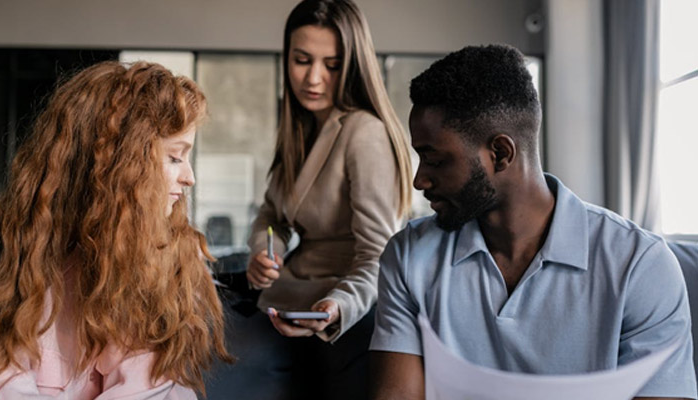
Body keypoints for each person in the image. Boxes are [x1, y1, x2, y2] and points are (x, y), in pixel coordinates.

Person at [369, 44, 697, 399]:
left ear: (500, 153)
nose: (420, 180)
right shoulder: (407, 255)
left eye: (434, 160)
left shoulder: (640, 264)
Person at [0, 61, 231, 399]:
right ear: (120, 166)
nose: (189, 178)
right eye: (174, 157)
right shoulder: (14, 261)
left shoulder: (159, 263)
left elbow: (146, 389)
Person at [205, 0, 412, 399]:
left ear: (352, 66)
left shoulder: (363, 133)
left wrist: (337, 307)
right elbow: (272, 213)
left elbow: (379, 255)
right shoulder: (300, 128)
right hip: (287, 301)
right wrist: (267, 251)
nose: (313, 78)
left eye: (331, 65)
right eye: (302, 60)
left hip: (337, 316)